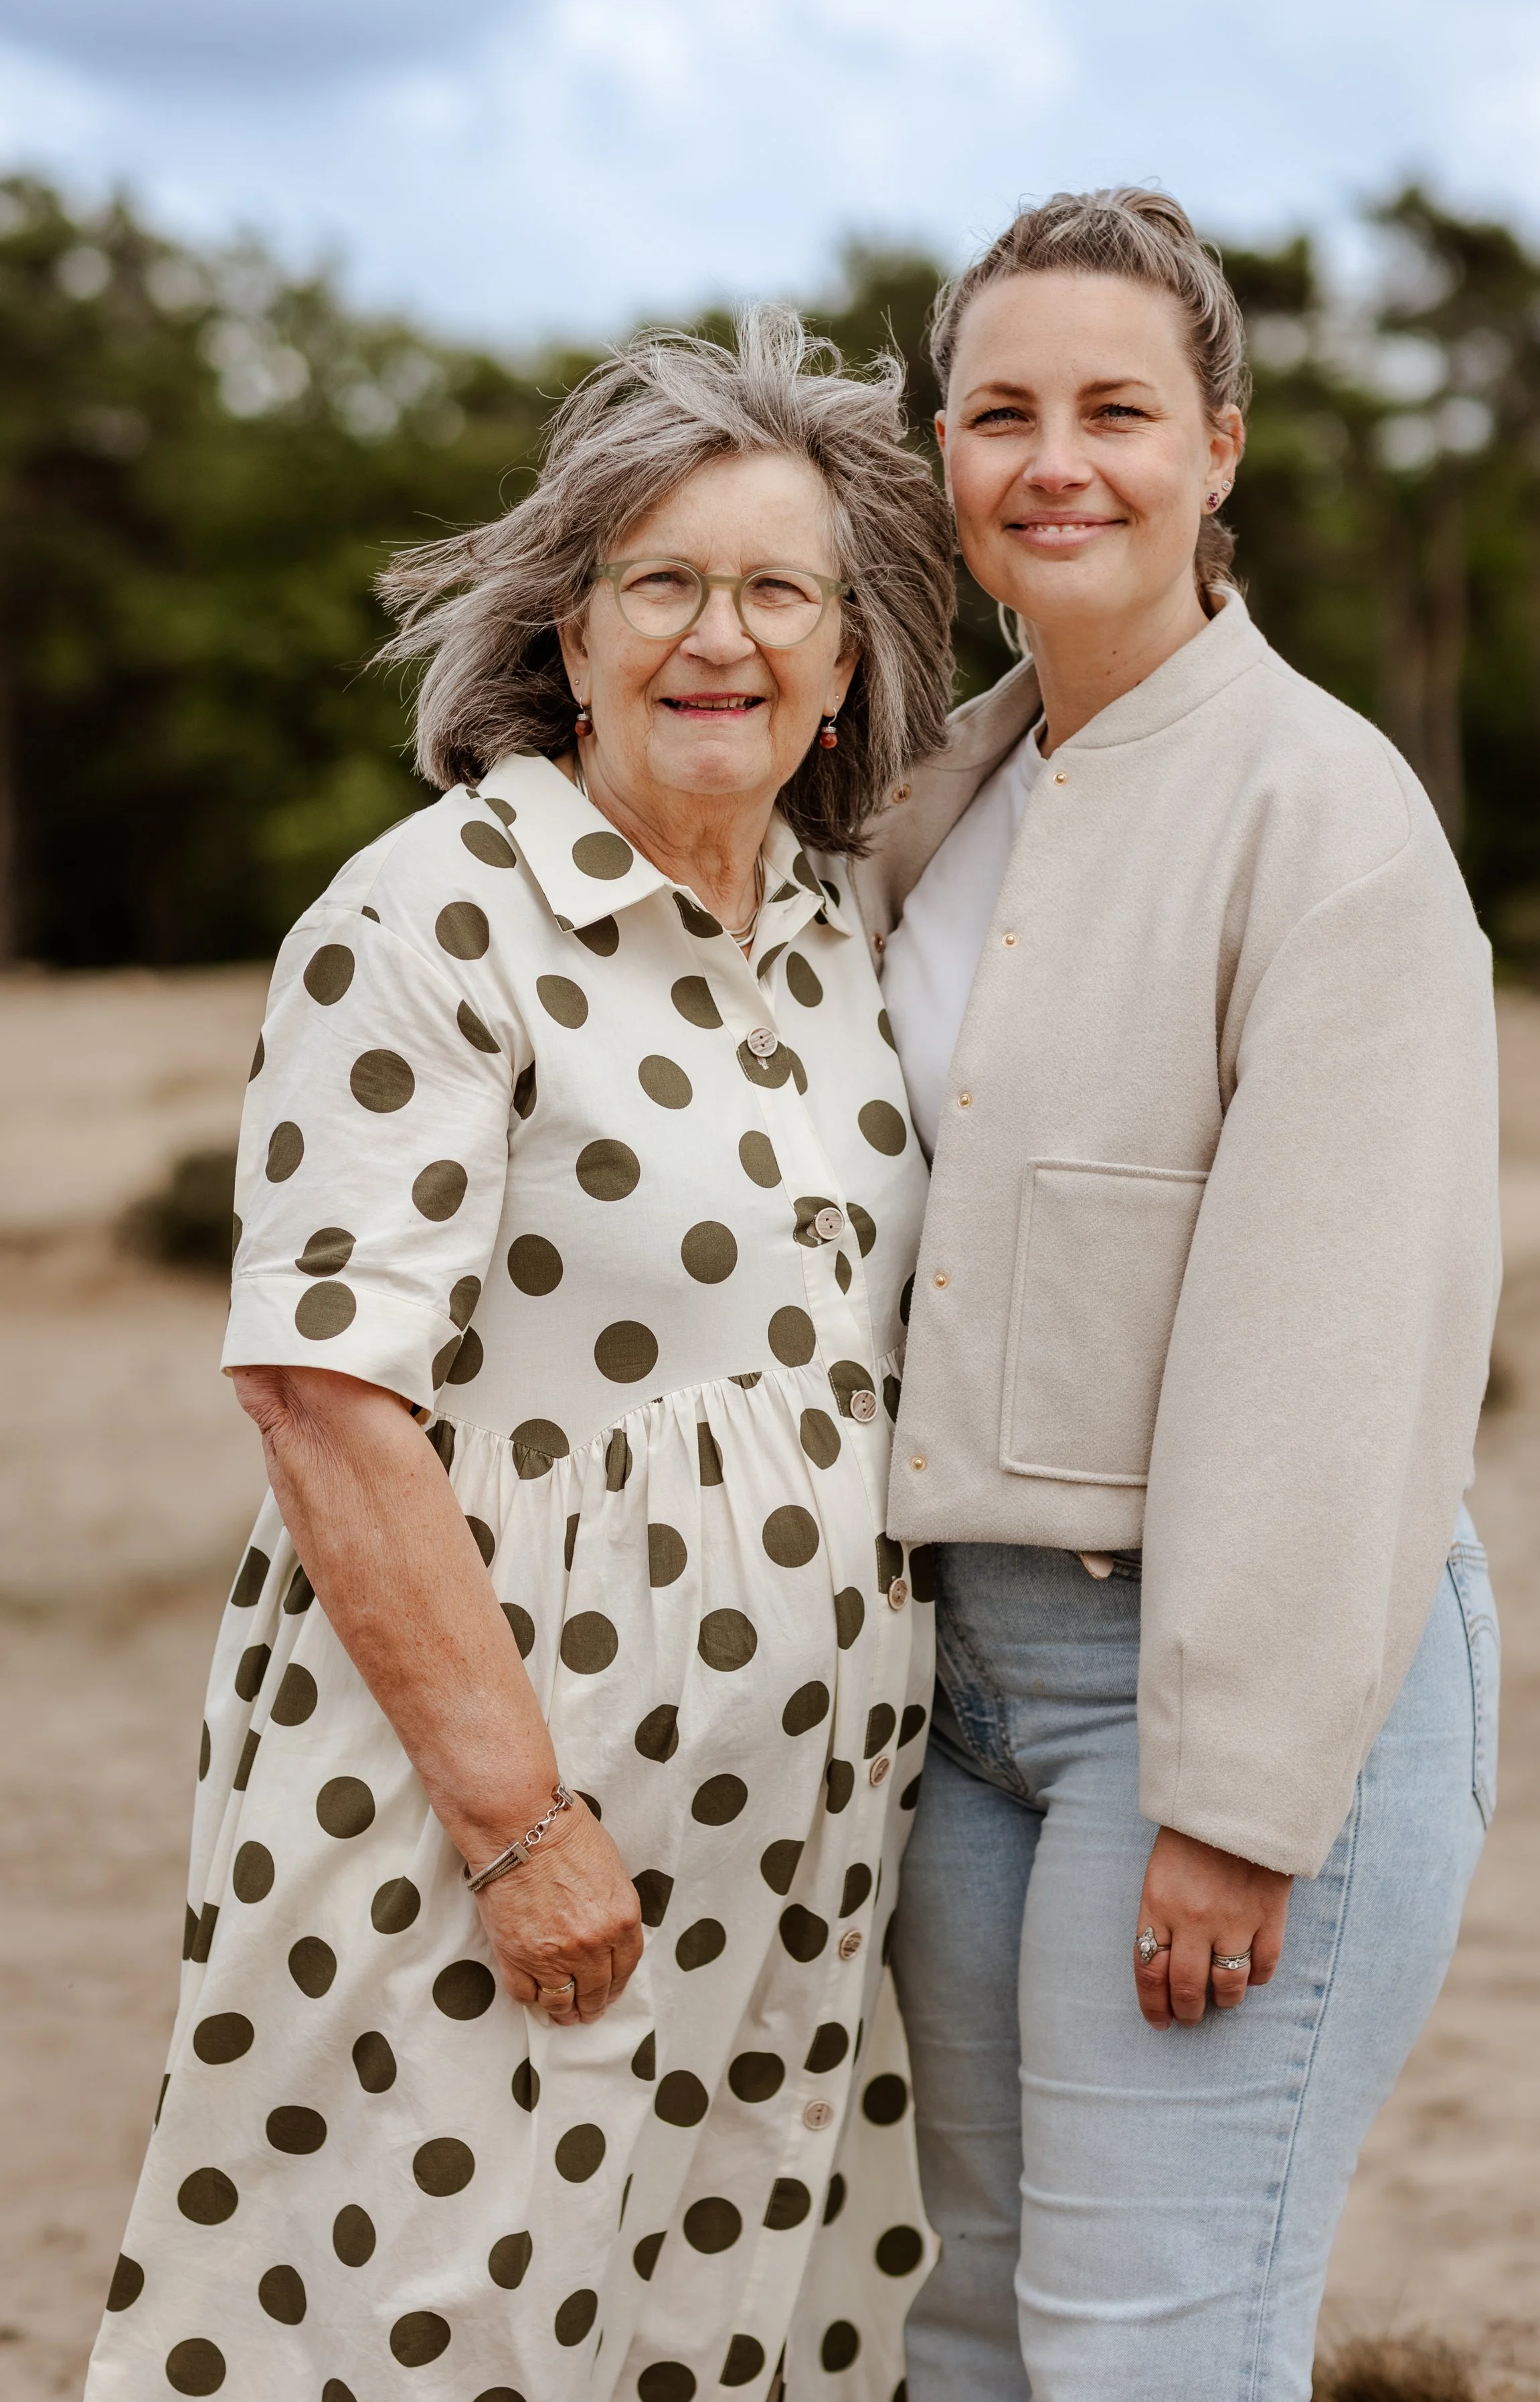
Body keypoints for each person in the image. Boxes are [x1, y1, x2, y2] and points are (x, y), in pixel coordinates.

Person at [86, 311, 955, 2402]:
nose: (718, 635)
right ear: (566, 635)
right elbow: (318, 1384)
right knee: (424, 2321)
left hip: (802, 1844)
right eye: (662, 581)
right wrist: (516, 1823)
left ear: (846, 663)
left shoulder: (843, 927)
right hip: (492, 1821)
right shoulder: (425, 921)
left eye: (777, 591)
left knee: (699, 2327)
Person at [856, 190, 1503, 2402]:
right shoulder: (936, 787)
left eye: (1116, 410)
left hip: (1218, 1686)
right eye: (999, 410)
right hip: (959, 1701)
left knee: (1149, 2348)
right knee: (953, 2328)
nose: (1057, 460)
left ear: (1216, 446)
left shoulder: (1324, 814)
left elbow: (1336, 1333)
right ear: (938, 449)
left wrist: (1237, 1791)